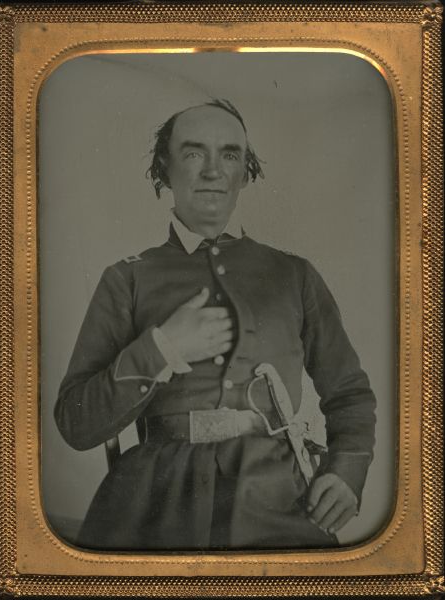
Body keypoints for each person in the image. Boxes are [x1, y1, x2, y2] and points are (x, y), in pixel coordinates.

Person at [55, 99, 376, 551]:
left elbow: (350, 395)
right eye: (193, 153)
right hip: (150, 502)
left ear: (246, 171)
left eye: (229, 154)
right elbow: (75, 422)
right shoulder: (126, 278)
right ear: (164, 168)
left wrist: (347, 474)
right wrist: (161, 349)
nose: (212, 170)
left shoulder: (294, 275)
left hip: (275, 498)